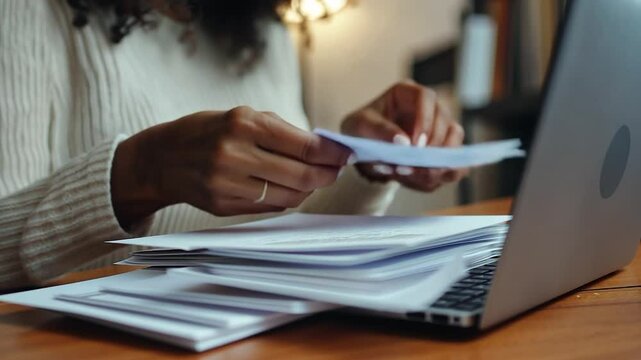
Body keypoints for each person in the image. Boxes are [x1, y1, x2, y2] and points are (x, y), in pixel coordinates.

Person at [0, 0, 466, 290]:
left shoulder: (264, 31)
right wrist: (141, 172)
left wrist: (361, 166)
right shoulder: (29, 11)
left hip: (254, 327)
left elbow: (286, 227)